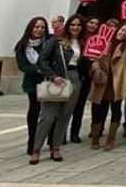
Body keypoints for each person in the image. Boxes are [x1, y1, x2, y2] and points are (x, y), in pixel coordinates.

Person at [31, 14, 85, 164]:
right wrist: (53, 76)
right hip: (57, 79)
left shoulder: (83, 42)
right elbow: (42, 60)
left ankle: (56, 148)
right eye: (73, 24)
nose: (75, 27)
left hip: (74, 79)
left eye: (79, 25)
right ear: (68, 25)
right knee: (48, 116)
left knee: (65, 116)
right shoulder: (56, 40)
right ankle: (36, 149)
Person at [88, 19, 126, 151]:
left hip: (116, 81)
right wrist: (96, 68)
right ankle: (95, 137)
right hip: (102, 80)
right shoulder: (104, 41)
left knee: (115, 109)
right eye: (122, 30)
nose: (123, 33)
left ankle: (111, 138)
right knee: (97, 108)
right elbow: (94, 56)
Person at [15, 16, 50, 156]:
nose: (39, 30)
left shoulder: (48, 43)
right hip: (33, 82)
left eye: (42, 27)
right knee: (34, 111)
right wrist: (38, 69)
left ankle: (52, 140)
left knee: (50, 113)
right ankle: (32, 142)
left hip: (49, 81)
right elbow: (22, 65)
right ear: (30, 28)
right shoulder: (23, 45)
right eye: (36, 27)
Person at [69, 16, 100, 144]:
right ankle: (59, 133)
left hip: (84, 76)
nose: (93, 25)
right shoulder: (72, 39)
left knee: (79, 105)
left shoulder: (94, 40)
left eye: (96, 23)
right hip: (68, 73)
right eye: (91, 22)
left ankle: (74, 133)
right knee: (65, 106)